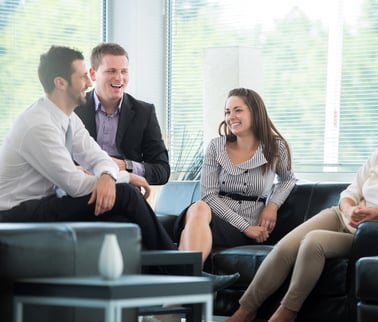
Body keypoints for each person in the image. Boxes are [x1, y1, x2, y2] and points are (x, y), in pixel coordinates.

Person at [0, 45, 236, 292]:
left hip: (43, 203)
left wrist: (115, 175)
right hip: (16, 211)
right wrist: (119, 181)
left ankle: (161, 290)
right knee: (124, 195)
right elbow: (74, 184)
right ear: (60, 83)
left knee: (122, 216)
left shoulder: (67, 117)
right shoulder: (39, 125)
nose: (87, 83)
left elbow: (98, 157)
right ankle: (189, 276)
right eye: (82, 77)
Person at [227, 101, 378, 322]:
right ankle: (245, 310)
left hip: (367, 234)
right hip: (341, 215)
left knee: (313, 242)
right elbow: (352, 189)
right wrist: (348, 207)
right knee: (285, 246)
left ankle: (287, 312)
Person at [176, 88, 297, 267]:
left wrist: (272, 206)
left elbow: (288, 179)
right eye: (227, 112)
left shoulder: (276, 147)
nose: (230, 116)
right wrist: (244, 227)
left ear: (255, 113)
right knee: (199, 207)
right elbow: (209, 195)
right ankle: (191, 282)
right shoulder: (216, 146)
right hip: (216, 219)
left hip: (251, 226)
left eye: (238, 110)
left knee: (188, 235)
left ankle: (184, 284)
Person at [75, 42, 170, 185]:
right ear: (93, 74)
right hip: (81, 187)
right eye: (111, 71)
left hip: (125, 190)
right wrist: (75, 170)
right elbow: (51, 160)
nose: (119, 78)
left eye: (124, 71)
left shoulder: (144, 112)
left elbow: (162, 170)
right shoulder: (73, 109)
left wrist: (126, 166)